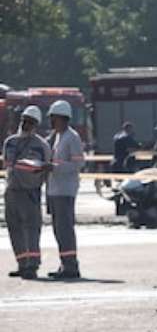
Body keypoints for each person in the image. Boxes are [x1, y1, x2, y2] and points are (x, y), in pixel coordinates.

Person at [4, 106, 52, 279]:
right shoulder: (10, 142)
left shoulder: (41, 145)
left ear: (36, 125)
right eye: (24, 121)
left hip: (30, 192)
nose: (26, 125)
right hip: (12, 191)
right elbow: (7, 166)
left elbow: (47, 168)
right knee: (14, 228)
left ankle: (32, 265)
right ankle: (22, 263)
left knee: (31, 229)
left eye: (30, 122)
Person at [46, 100, 84, 280]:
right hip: (55, 190)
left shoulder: (72, 137)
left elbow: (78, 163)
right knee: (58, 230)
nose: (51, 122)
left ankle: (71, 266)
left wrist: (55, 167)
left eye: (53, 118)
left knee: (65, 229)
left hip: (65, 190)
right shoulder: (58, 137)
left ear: (62, 118)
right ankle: (65, 263)